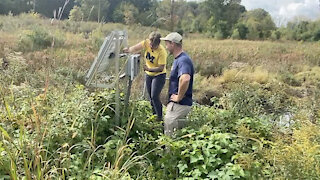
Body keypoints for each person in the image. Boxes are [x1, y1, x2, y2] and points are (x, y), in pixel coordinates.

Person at [123, 32, 167, 121]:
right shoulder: (146, 42)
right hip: (149, 74)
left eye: (153, 45)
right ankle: (153, 116)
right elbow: (135, 48)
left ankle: (159, 117)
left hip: (158, 75)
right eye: (150, 44)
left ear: (158, 44)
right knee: (150, 97)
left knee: (155, 96)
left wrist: (149, 69)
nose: (150, 46)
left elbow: (161, 68)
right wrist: (128, 50)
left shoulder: (162, 52)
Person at [160, 32, 194, 136]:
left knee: (171, 137)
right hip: (179, 105)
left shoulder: (183, 60)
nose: (166, 47)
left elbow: (185, 79)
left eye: (167, 44)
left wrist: (179, 97)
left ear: (173, 44)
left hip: (180, 105)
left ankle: (169, 152)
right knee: (176, 134)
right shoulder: (179, 59)